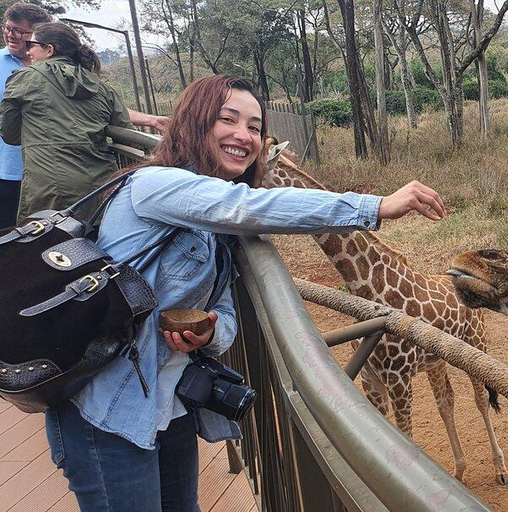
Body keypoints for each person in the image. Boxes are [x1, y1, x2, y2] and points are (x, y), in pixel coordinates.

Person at [44, 74, 446, 511]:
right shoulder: (154, 186)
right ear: (194, 124)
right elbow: (246, 205)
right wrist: (373, 206)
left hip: (167, 404)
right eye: (228, 119)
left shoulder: (216, 227)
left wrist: (210, 334)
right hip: (103, 410)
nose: (244, 136)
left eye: (254, 127)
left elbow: (225, 313)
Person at [0, 20, 168, 223]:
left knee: (45, 246)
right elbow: (127, 134)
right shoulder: (102, 87)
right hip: (102, 186)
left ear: (49, 49)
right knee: (100, 245)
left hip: (47, 189)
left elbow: (10, 135)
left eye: (31, 45)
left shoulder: (24, 79)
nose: (28, 52)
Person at [0, 2, 50, 229]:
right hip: (6, 169)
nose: (11, 35)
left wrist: (148, 120)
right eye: (8, 28)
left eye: (19, 31)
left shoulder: (54, 67)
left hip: (45, 173)